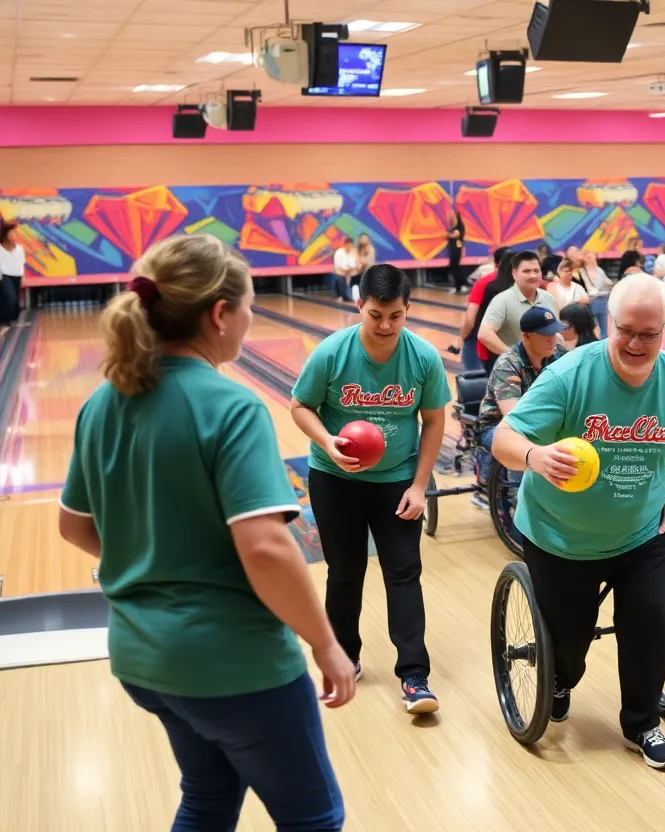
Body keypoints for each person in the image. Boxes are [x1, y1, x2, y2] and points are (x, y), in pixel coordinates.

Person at [58, 234, 352, 830]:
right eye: (248, 306)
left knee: (208, 798)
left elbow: (74, 525)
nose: (249, 318)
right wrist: (325, 643)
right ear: (219, 314)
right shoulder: (230, 406)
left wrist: (152, 553)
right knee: (313, 818)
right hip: (233, 664)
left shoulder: (102, 402)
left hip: (144, 659)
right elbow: (266, 549)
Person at [491, 273, 665, 770]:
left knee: (650, 619)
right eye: (625, 330)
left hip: (640, 531)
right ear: (610, 323)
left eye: (648, 334)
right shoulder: (569, 375)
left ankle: (642, 723)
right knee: (569, 641)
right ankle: (560, 676)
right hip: (560, 536)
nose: (634, 343)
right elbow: (504, 440)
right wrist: (536, 455)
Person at [290, 264, 451, 714]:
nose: (385, 326)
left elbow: (435, 420)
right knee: (344, 571)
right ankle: (345, 655)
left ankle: (415, 675)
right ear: (359, 305)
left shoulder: (422, 358)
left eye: (395, 316)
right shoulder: (331, 353)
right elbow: (300, 405)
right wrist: (327, 441)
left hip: (397, 481)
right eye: (376, 314)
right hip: (334, 478)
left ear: (408, 310)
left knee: (404, 571)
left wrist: (420, 487)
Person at [477, 306, 569, 451]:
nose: (552, 341)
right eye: (545, 335)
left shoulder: (559, 355)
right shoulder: (507, 365)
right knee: (522, 443)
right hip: (498, 427)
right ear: (526, 337)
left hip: (545, 421)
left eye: (554, 334)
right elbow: (515, 418)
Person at [478, 251, 557, 370]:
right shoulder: (502, 300)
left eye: (536, 271)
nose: (533, 276)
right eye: (526, 271)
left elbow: (555, 331)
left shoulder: (548, 298)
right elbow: (484, 334)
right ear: (514, 274)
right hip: (514, 373)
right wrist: (516, 358)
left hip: (546, 368)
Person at [453, 246, 511, 372]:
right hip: (511, 335)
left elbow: (470, 318)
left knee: (473, 379)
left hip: (483, 336)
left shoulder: (484, 282)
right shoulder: (520, 282)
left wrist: (461, 338)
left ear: (495, 263)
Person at [0, 221, 25, 326]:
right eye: (11, 234)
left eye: (15, 234)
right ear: (5, 235)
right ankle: (7, 320)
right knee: (11, 297)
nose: (13, 236)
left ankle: (13, 320)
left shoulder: (19, 249)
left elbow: (21, 263)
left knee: (15, 299)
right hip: (4, 275)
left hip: (17, 275)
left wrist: (23, 277)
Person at [446, 210, 466, 294]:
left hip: (456, 249)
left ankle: (459, 286)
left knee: (455, 266)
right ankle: (459, 285)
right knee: (454, 266)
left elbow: (456, 235)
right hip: (454, 249)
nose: (451, 218)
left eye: (453, 216)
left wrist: (448, 235)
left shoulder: (458, 226)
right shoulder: (453, 226)